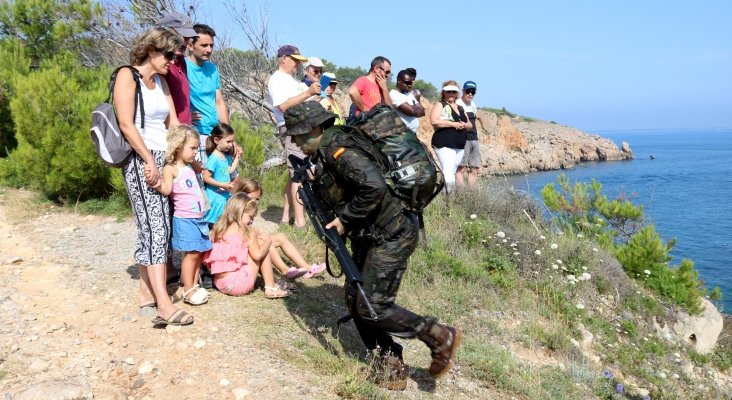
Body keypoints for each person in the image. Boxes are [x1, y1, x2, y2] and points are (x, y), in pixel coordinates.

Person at [283, 102, 462, 389]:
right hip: (372, 232)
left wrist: (344, 220)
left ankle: (438, 335)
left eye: (299, 134)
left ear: (315, 128)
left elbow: (374, 186)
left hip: (392, 233)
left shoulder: (336, 147)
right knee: (357, 298)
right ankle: (390, 366)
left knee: (372, 305)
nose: (295, 140)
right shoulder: (328, 149)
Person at [114, 27, 192, 326]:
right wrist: (149, 160)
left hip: (163, 158)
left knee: (160, 228)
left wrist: (181, 158)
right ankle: (163, 304)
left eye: (175, 56)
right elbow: (126, 123)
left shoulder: (160, 82)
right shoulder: (127, 75)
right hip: (141, 158)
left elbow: (173, 123)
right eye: (169, 54)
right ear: (151, 50)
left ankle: (147, 293)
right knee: (155, 229)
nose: (172, 61)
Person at [152, 125, 212, 305]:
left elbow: (199, 169)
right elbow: (167, 189)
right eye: (192, 148)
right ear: (178, 146)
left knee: (199, 253)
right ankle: (188, 289)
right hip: (185, 219)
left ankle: (193, 284)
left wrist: (195, 163)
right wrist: (155, 184)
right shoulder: (171, 169)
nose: (196, 152)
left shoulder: (189, 166)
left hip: (199, 218)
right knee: (191, 254)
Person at [267, 44, 321, 228]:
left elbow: (300, 102)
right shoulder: (277, 80)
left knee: (295, 173)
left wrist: (314, 96)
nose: (297, 64)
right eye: (295, 60)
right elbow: (283, 106)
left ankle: (285, 216)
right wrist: (307, 93)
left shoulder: (292, 81)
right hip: (291, 129)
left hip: (301, 128)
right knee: (299, 173)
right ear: (284, 59)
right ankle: (300, 222)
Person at [232, 178, 326, 280]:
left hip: (248, 242)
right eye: (252, 198)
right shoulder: (237, 209)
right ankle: (285, 270)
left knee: (280, 237)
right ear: (242, 194)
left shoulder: (247, 208)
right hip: (239, 248)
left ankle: (308, 268)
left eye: (258, 199)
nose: (255, 201)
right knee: (264, 241)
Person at [204, 193, 290, 298]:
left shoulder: (219, 228)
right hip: (237, 285)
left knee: (252, 250)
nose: (252, 221)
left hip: (220, 283)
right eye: (250, 217)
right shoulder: (246, 231)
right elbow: (257, 255)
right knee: (262, 249)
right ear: (240, 212)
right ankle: (270, 287)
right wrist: (268, 241)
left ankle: (274, 280)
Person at [186, 23, 229, 165]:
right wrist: (184, 117)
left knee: (227, 180)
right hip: (195, 134)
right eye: (204, 45)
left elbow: (219, 102)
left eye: (211, 45)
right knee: (200, 181)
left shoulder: (212, 69)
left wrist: (227, 134)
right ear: (191, 45)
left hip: (215, 134)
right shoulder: (182, 67)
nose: (209, 50)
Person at [430, 80, 471, 193]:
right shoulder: (440, 104)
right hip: (444, 142)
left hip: (459, 145)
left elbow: (469, 124)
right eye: (448, 91)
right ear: (444, 92)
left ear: (457, 93)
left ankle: (445, 198)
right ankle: (449, 200)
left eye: (453, 91)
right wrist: (453, 124)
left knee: (451, 172)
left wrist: (464, 124)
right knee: (448, 171)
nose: (451, 94)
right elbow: (434, 121)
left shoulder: (460, 108)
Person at [160, 12, 197, 125]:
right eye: (181, 36)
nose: (184, 42)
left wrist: (187, 117)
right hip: (168, 133)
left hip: (185, 132)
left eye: (187, 38)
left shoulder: (181, 60)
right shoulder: (159, 65)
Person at [203, 123, 241, 224]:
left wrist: (237, 157)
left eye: (232, 142)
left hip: (223, 193)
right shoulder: (214, 159)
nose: (231, 145)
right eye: (228, 141)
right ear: (216, 140)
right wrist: (222, 184)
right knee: (218, 218)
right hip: (214, 194)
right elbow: (206, 178)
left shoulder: (226, 156)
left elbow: (229, 170)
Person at [456, 81, 485, 187]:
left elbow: (474, 121)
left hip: (474, 139)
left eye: (473, 92)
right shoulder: (457, 104)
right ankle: (462, 196)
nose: (470, 94)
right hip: (463, 139)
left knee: (475, 168)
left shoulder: (473, 105)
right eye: (468, 91)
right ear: (463, 91)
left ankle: (470, 195)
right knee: (461, 168)